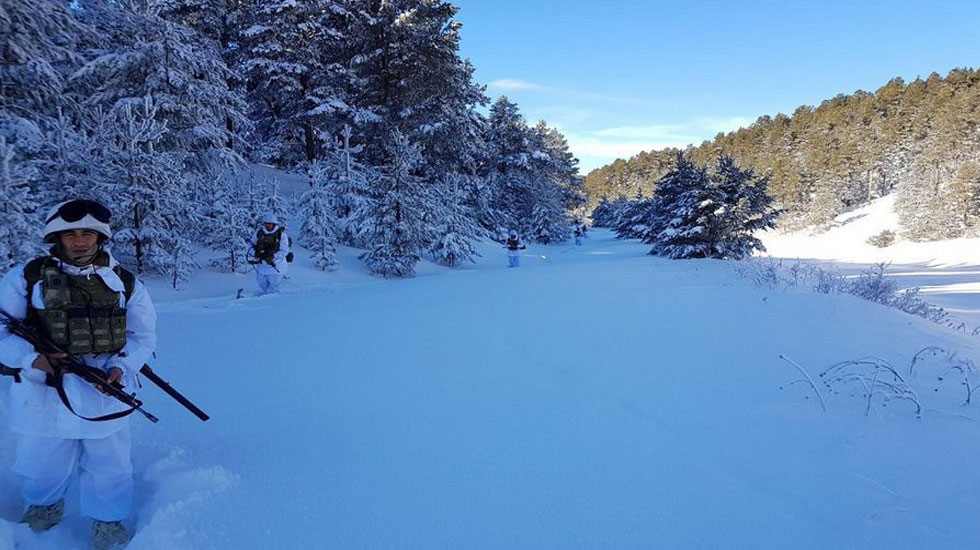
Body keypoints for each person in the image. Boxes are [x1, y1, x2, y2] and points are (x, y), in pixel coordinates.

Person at [0, 199, 156, 550]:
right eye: (70, 233)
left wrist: (122, 367)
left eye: (88, 233)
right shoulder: (27, 278)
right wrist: (33, 360)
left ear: (100, 237)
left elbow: (142, 335)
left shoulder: (123, 281)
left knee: (110, 462)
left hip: (102, 387)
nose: (80, 241)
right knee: (42, 458)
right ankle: (44, 508)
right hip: (44, 388)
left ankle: (107, 522)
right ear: (57, 236)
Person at [249, 211, 289, 295]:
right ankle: (263, 302)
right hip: (261, 266)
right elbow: (252, 246)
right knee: (262, 284)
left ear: (274, 224)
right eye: (266, 224)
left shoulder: (281, 235)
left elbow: (284, 250)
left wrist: (273, 256)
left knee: (274, 288)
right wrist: (255, 255)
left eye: (270, 224)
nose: (268, 226)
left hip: (276, 266)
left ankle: (271, 304)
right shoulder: (259, 233)